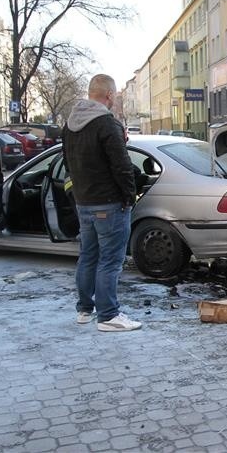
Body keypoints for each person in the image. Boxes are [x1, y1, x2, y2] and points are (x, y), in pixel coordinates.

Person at [62, 74, 141, 332]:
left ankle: (85, 310)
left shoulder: (70, 125)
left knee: (88, 257)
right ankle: (108, 316)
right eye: (115, 96)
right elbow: (123, 166)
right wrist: (130, 196)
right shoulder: (107, 124)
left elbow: (69, 164)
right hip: (109, 204)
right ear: (109, 95)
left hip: (83, 203)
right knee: (110, 261)